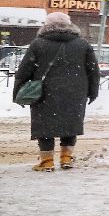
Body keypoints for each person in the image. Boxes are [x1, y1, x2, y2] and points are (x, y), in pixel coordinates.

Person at [11, 12, 99, 170]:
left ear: (47, 25)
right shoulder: (82, 44)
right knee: (70, 123)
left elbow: (24, 70)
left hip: (45, 92)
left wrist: (18, 90)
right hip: (76, 91)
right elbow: (93, 70)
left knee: (45, 125)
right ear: (69, 25)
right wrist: (93, 91)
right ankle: (66, 158)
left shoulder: (38, 44)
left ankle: (47, 161)